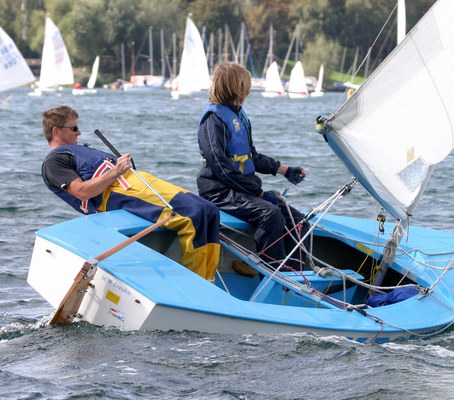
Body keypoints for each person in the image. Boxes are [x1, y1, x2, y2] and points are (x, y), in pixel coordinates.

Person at [41, 105, 221, 281]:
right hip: (119, 192)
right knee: (192, 215)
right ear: (56, 131)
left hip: (136, 182)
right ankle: (196, 282)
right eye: (74, 128)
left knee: (209, 210)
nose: (79, 133)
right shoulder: (54, 161)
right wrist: (116, 170)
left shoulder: (77, 150)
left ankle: (209, 278)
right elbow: (82, 192)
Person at [196, 61, 309, 268]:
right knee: (270, 213)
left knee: (299, 222)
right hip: (219, 192)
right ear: (237, 87)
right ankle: (272, 270)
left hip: (242, 189)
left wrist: (284, 170)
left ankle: (297, 271)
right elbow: (220, 167)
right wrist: (257, 192)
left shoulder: (239, 115)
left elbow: (251, 157)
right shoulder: (213, 120)